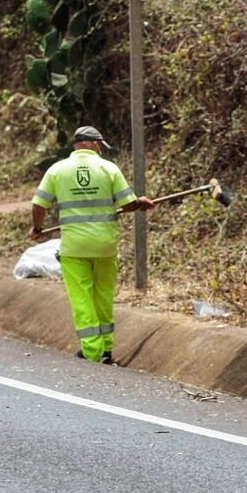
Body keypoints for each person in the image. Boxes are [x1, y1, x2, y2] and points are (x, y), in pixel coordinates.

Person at [29, 125, 154, 364]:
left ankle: (91, 351)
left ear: (76, 146)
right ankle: (105, 348)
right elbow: (127, 204)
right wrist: (139, 202)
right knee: (103, 295)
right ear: (95, 145)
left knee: (82, 298)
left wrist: (37, 228)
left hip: (74, 248)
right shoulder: (108, 168)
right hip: (104, 246)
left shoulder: (57, 170)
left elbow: (38, 205)